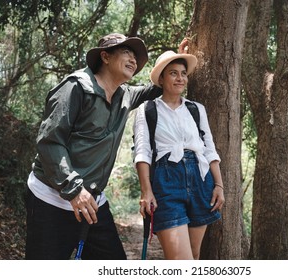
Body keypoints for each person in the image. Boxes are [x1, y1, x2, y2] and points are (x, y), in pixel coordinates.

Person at [25, 33, 187, 260]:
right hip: (51, 198)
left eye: (135, 56)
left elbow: (159, 86)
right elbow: (50, 142)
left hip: (93, 202)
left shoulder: (126, 96)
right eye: (126, 52)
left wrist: (175, 59)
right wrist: (73, 189)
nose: (133, 59)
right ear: (105, 56)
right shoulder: (75, 87)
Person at [133, 50, 225, 260]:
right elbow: (142, 152)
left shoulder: (196, 109)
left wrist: (219, 185)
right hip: (167, 184)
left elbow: (209, 148)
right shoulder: (147, 110)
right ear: (161, 78)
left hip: (201, 182)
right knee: (180, 261)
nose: (180, 78)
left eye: (183, 73)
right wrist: (146, 191)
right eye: (173, 73)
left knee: (193, 255)